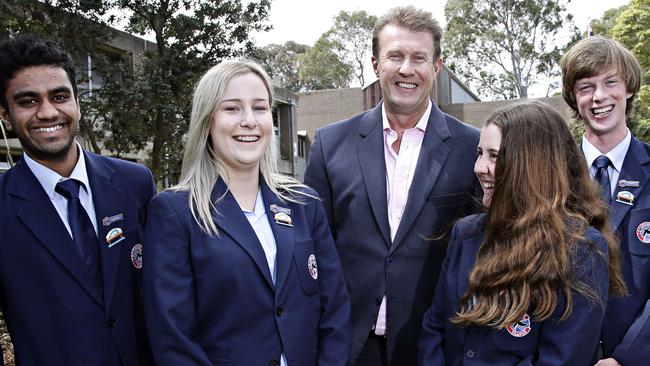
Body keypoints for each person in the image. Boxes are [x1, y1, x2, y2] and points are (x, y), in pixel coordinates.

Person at [142, 59, 351, 366]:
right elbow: (174, 340)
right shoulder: (174, 214)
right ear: (207, 121)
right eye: (232, 108)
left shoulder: (304, 204)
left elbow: (335, 311)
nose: (249, 120)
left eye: (260, 107)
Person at [304, 6, 480, 365]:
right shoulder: (329, 144)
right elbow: (314, 250)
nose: (406, 69)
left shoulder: (471, 149)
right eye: (395, 56)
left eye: (419, 58)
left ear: (436, 67)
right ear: (375, 64)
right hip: (349, 346)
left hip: (434, 347)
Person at [419, 101, 627, 365]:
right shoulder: (466, 233)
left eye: (494, 156)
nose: (479, 167)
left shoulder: (580, 249)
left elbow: (562, 358)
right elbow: (436, 325)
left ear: (532, 165)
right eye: (480, 153)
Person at [0, 36, 156, 365]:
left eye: (59, 96)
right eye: (28, 101)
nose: (47, 112)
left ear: (77, 103)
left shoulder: (135, 183)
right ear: (5, 114)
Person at [560, 35, 648, 366]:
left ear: (628, 88)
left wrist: (628, 357)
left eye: (610, 82)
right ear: (573, 97)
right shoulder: (554, 176)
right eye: (586, 87)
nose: (599, 97)